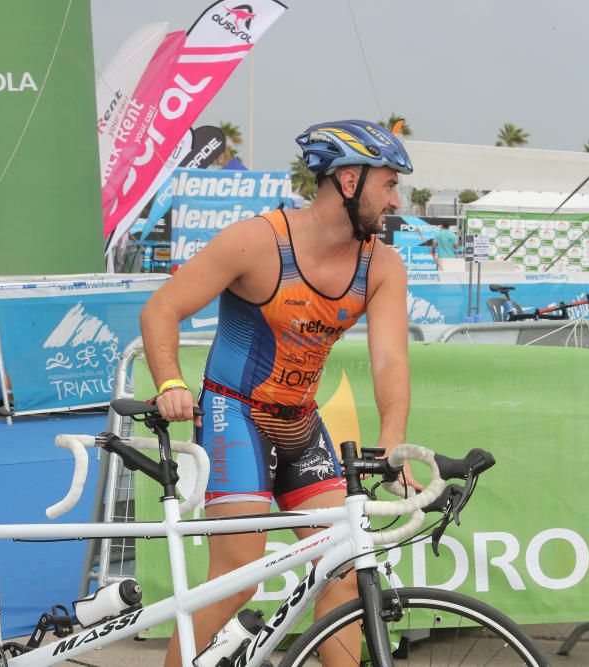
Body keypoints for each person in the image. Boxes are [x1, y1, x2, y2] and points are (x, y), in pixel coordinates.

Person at [140, 120, 419, 667]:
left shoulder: (381, 264)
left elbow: (390, 358)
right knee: (237, 578)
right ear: (347, 181)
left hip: (299, 420)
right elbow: (161, 310)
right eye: (387, 184)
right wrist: (170, 382)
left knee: (344, 563)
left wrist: (393, 440)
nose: (395, 199)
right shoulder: (256, 241)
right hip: (233, 413)